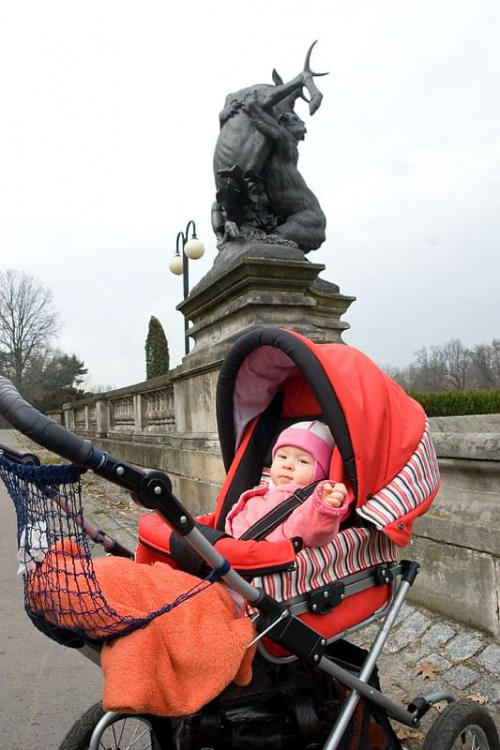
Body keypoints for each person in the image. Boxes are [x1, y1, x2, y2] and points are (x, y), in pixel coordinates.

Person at [225, 421, 351, 548]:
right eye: (283, 457)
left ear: (320, 471)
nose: (287, 465)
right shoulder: (263, 491)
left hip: (261, 558)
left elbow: (312, 533)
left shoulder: (308, 503)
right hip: (232, 549)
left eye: (302, 461)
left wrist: (323, 510)